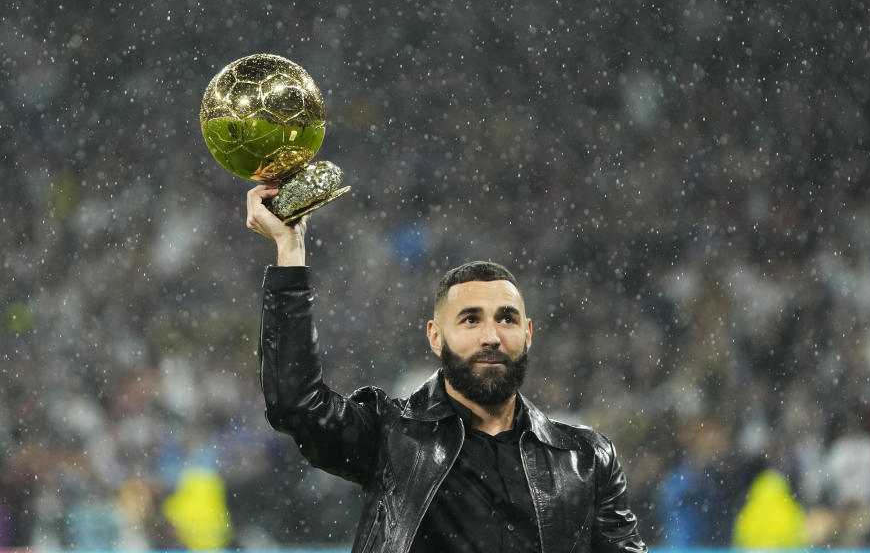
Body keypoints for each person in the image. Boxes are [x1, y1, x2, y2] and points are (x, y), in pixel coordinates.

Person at [246, 184, 648, 553]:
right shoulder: (392, 435)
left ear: (527, 334)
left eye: (506, 319)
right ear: (435, 337)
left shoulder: (586, 458)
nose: (490, 336)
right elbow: (296, 404)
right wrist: (290, 251)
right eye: (470, 320)